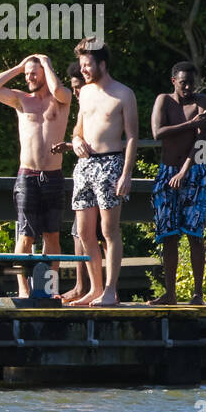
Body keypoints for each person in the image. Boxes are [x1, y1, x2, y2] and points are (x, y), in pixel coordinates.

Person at [0, 54, 71, 296]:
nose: (29, 77)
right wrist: (20, 67)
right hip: (27, 176)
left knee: (52, 236)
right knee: (25, 235)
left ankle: (50, 289)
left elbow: (57, 88)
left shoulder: (61, 99)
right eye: (27, 74)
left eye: (34, 73)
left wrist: (47, 63)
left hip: (53, 176)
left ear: (45, 72)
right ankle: (24, 290)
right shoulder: (21, 100)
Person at [66, 39, 138, 306]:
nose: (83, 70)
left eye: (87, 65)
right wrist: (75, 141)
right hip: (84, 165)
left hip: (111, 164)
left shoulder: (124, 94)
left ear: (102, 64)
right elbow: (77, 129)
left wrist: (126, 174)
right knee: (84, 232)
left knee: (109, 230)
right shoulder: (84, 92)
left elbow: (132, 137)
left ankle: (110, 290)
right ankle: (95, 288)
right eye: (82, 65)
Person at [148, 62, 206, 305]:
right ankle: (170, 294)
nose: (187, 87)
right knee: (169, 235)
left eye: (191, 83)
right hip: (167, 172)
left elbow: (201, 142)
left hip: (194, 172)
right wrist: (190, 124)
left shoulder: (202, 102)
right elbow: (158, 132)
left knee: (195, 234)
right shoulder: (163, 100)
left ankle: (198, 293)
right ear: (173, 80)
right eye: (183, 82)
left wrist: (185, 171)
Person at [52, 63, 98, 302]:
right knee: (78, 231)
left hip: (102, 174)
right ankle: (82, 286)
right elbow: (82, 137)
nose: (76, 92)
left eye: (78, 87)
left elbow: (103, 142)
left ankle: (107, 288)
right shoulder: (82, 105)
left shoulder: (100, 100)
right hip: (84, 172)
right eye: (74, 88)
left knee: (103, 233)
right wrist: (71, 144)